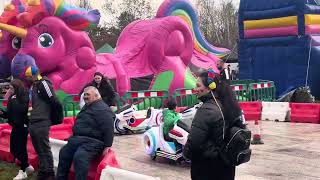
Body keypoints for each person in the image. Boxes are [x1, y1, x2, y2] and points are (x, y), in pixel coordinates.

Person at [183, 69, 242, 180]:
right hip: (227, 165)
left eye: (198, 86)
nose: (195, 89)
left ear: (209, 87)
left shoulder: (206, 110)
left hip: (208, 167)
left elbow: (195, 142)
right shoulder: (228, 105)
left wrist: (186, 153)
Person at [56, 86, 115, 180]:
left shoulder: (103, 109)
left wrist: (108, 145)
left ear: (96, 96)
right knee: (64, 152)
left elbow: (109, 128)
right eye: (84, 94)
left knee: (80, 156)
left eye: (87, 94)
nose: (84, 97)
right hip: (77, 140)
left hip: (92, 142)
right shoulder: (87, 106)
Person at [24, 65, 55, 180]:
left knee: (44, 148)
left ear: (35, 74)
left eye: (29, 76)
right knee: (38, 148)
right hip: (34, 120)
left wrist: (50, 116)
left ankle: (50, 173)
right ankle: (43, 171)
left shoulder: (44, 83)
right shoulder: (33, 85)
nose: (27, 78)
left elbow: (53, 100)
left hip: (42, 120)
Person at [0, 79, 34, 180]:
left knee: (21, 149)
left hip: (22, 126)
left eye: (11, 88)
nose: (10, 90)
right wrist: (2, 113)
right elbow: (9, 114)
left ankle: (22, 171)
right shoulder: (12, 97)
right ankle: (27, 166)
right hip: (15, 127)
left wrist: (13, 99)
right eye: (9, 88)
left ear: (17, 87)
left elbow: (22, 109)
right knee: (14, 149)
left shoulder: (24, 96)